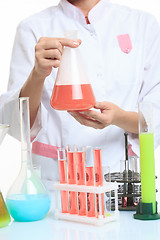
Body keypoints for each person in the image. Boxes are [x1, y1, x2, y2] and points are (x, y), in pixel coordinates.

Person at [0, 0, 160, 190]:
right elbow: (18, 125)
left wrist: (118, 117)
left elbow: (155, 115)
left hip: (120, 181)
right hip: (56, 183)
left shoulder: (142, 24)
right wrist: (38, 74)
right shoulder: (33, 28)